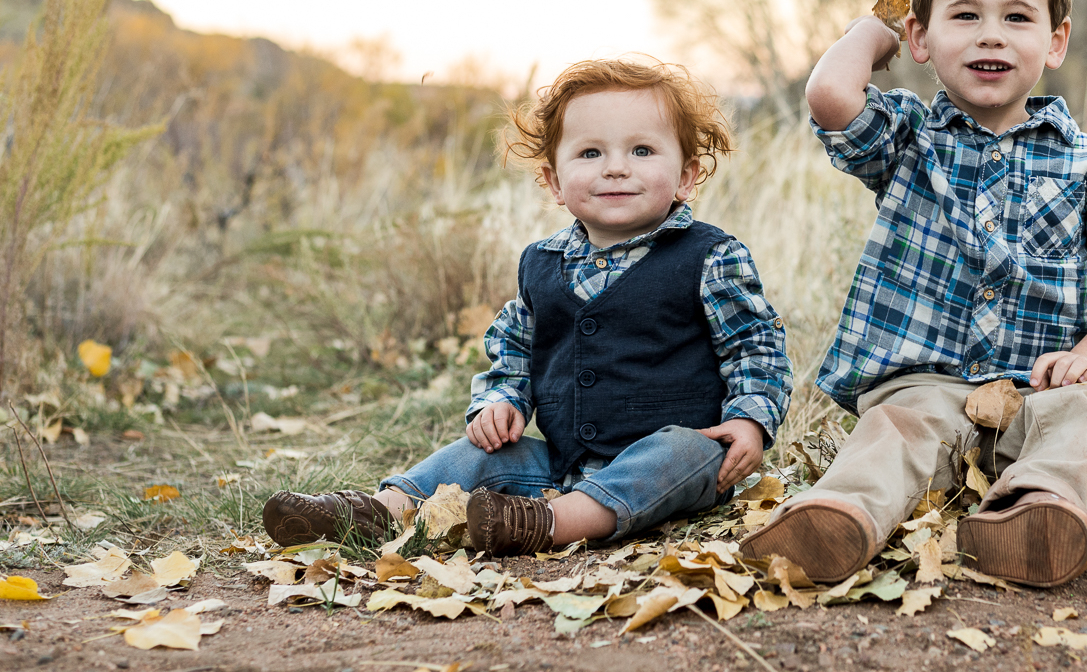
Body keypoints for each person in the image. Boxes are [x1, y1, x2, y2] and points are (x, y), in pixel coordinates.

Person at [742, 0, 1087, 587]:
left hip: (1037, 392)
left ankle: (1036, 509)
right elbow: (829, 96)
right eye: (965, 16)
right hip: (925, 391)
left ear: (1055, 42)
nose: (991, 35)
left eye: (1017, 18)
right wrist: (875, 28)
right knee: (894, 430)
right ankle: (838, 518)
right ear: (922, 37)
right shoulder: (909, 139)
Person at [262, 58, 791, 556]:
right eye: (590, 154)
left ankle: (551, 525)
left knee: (679, 447)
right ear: (554, 182)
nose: (614, 169)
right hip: (562, 466)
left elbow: (754, 344)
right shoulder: (542, 263)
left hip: (679, 469)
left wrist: (749, 420)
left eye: (641, 151)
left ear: (686, 176)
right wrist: (501, 401)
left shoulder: (710, 256)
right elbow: (514, 345)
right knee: (481, 454)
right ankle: (381, 511)